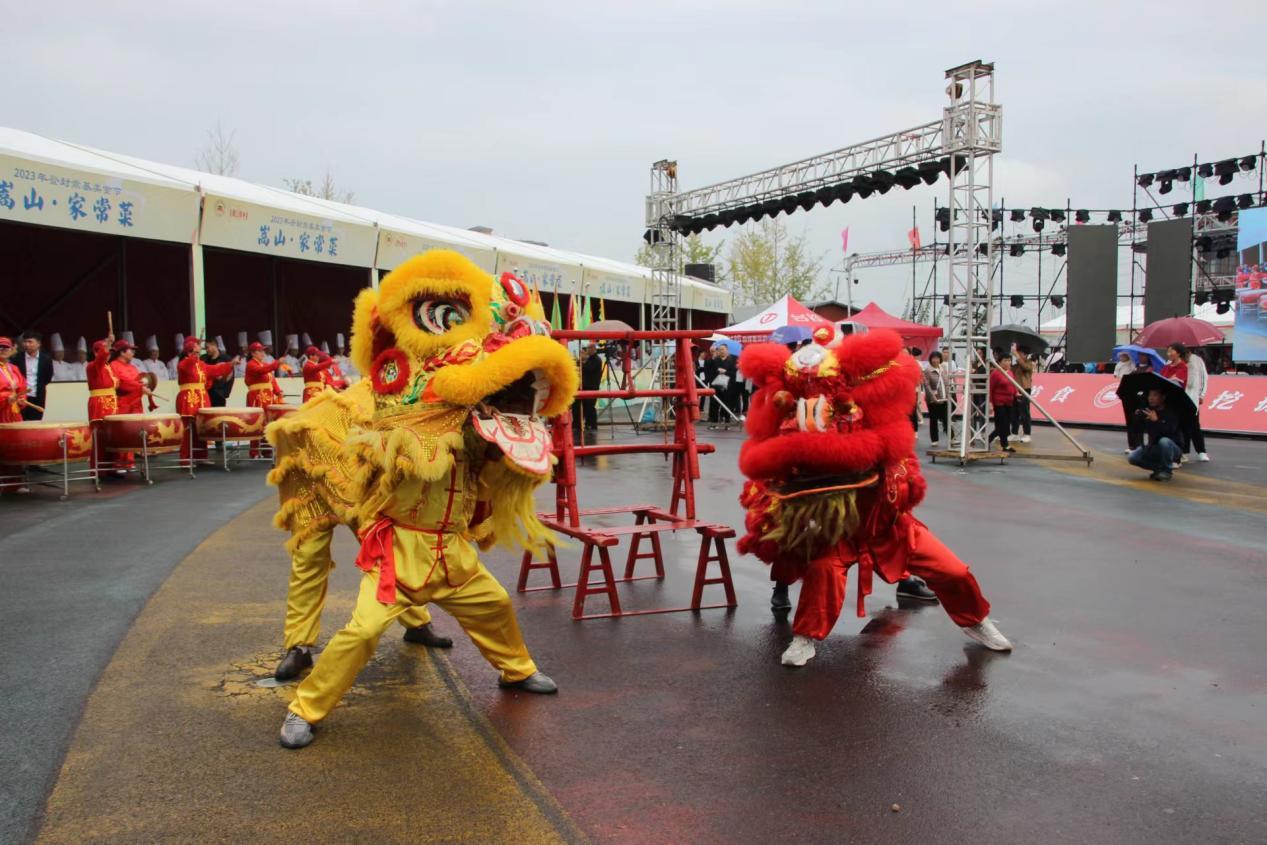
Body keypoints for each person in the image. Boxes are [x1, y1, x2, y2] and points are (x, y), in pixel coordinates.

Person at [176, 338, 238, 464]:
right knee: (188, 429)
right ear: (189, 353)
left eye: (198, 353)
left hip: (201, 398)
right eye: (195, 352)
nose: (198, 355)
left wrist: (230, 364)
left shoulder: (202, 365)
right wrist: (193, 354)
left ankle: (201, 456)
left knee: (200, 428)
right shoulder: (183, 363)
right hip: (189, 398)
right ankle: (186, 458)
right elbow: (188, 366)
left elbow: (215, 370)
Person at [1127, 388, 1183, 481]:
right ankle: (1159, 469)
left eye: (1155, 395)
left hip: (1173, 448)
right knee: (1133, 457)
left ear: (1163, 397)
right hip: (1154, 446)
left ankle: (1167, 471)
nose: (1151, 398)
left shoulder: (1171, 412)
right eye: (1150, 395)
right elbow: (1136, 430)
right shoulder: (1148, 411)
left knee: (1164, 441)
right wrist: (1137, 417)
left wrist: (1157, 421)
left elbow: (1169, 432)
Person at [0, 337, 30, 494]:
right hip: (1, 411)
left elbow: (22, 386)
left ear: (12, 349)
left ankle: (14, 483)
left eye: (6, 347)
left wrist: (21, 399)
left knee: (15, 447)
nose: (3, 350)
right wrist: (5, 398)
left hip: (14, 412)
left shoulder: (14, 368)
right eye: (0, 348)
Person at [245, 342, 283, 457]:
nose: (263, 353)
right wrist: (276, 363)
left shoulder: (264, 364)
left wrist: (278, 391)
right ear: (253, 353)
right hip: (257, 396)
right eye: (259, 351)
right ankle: (254, 451)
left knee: (268, 422)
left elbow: (272, 380)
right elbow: (261, 371)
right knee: (257, 422)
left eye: (263, 351)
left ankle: (266, 449)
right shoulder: (251, 364)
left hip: (268, 396)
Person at [1181, 347, 1210, 462]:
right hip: (1179, 398)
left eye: (1187, 353)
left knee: (1194, 426)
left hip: (1192, 397)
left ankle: (1201, 451)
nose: (1186, 356)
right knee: (1182, 427)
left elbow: (1204, 377)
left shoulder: (1197, 360)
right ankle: (1184, 452)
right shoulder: (1173, 362)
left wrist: (1201, 394)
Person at [19, 331, 53, 421]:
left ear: (38, 344)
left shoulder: (46, 359)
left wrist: (40, 386)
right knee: (20, 422)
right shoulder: (17, 358)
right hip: (21, 397)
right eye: (25, 342)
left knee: (36, 422)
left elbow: (48, 377)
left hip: (38, 396)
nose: (27, 344)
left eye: (30, 342)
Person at [988, 354, 1017, 451]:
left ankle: (990, 439)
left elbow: (1013, 386)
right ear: (999, 362)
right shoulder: (996, 373)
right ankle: (1004, 445)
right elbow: (990, 389)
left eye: (1009, 360)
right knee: (1002, 424)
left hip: (1009, 402)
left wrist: (1016, 394)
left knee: (1005, 424)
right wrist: (990, 403)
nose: (1008, 362)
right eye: (1005, 360)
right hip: (999, 402)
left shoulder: (1010, 373)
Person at [707, 345, 739, 428]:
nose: (722, 351)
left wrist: (725, 372)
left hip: (728, 386)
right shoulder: (715, 360)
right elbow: (710, 371)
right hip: (716, 385)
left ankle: (727, 422)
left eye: (723, 349)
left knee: (727, 404)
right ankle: (714, 423)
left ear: (727, 350)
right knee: (714, 404)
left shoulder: (732, 360)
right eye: (720, 349)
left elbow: (734, 374)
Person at [923, 350, 950, 445]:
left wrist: (948, 394)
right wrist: (932, 396)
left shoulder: (943, 368)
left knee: (946, 418)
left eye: (937, 358)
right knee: (933, 419)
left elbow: (946, 382)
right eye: (933, 358)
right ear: (930, 359)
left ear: (940, 359)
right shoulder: (927, 370)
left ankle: (952, 438)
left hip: (944, 397)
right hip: (933, 399)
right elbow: (927, 386)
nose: (936, 360)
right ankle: (934, 440)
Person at [1010, 344, 1035, 443]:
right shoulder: (1016, 365)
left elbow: (1025, 367)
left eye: (1019, 353)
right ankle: (1014, 433)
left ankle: (1027, 434)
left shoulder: (1029, 363)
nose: (1017, 355)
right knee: (1014, 413)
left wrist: (1016, 355)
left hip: (1025, 389)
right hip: (1015, 390)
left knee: (1024, 412)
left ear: (1025, 355)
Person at [202, 338, 235, 407]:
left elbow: (231, 376)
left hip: (220, 394)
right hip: (206, 394)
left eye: (207, 347)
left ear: (214, 345)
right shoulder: (204, 359)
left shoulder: (226, 359)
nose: (206, 350)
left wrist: (225, 392)